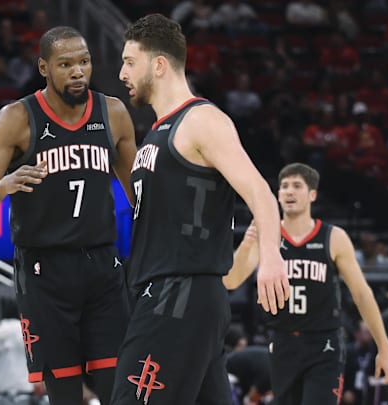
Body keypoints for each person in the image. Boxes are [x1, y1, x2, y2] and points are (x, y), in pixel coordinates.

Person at [112, 13, 289, 405]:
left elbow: (259, 190)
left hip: (177, 293)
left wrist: (272, 256)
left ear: (158, 65)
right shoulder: (155, 135)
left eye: (128, 62)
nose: (121, 72)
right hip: (180, 296)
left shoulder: (202, 120)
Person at [0, 26, 137, 405]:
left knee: (119, 389)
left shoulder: (114, 113)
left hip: (102, 268)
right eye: (65, 64)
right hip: (44, 273)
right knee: (65, 395)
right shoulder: (16, 119)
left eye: (84, 62)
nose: (77, 72)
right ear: (44, 67)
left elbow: (142, 198)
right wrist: (2, 186)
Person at [223, 162, 388, 405]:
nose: (289, 192)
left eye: (297, 186)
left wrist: (384, 347)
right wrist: (248, 243)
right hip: (282, 341)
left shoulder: (333, 237)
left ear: (312, 194)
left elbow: (361, 294)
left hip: (323, 344)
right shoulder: (266, 236)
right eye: (284, 187)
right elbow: (231, 281)